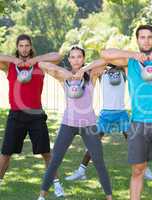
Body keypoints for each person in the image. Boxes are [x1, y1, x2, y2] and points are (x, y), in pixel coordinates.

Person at [82, 24, 152, 200]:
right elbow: (105, 54)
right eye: (142, 37)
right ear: (137, 40)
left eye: (149, 37)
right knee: (137, 170)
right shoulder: (130, 62)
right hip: (138, 123)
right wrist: (132, 54)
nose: (146, 40)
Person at [37, 45, 112, 200]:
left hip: (89, 124)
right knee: (55, 161)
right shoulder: (63, 77)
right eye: (72, 57)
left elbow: (106, 60)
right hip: (68, 124)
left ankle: (109, 197)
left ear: (83, 58)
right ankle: (42, 196)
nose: (76, 59)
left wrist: (85, 69)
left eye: (79, 56)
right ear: (69, 59)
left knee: (99, 162)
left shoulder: (91, 74)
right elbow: (42, 64)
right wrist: (65, 72)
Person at [0, 34, 64, 197]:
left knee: (46, 153)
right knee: (5, 153)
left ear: (31, 47)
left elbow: (57, 56)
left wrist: (35, 60)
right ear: (17, 47)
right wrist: (13, 60)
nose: (24, 49)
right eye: (21, 46)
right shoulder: (10, 66)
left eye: (27, 45)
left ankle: (57, 185)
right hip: (16, 115)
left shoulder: (40, 65)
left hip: (36, 115)